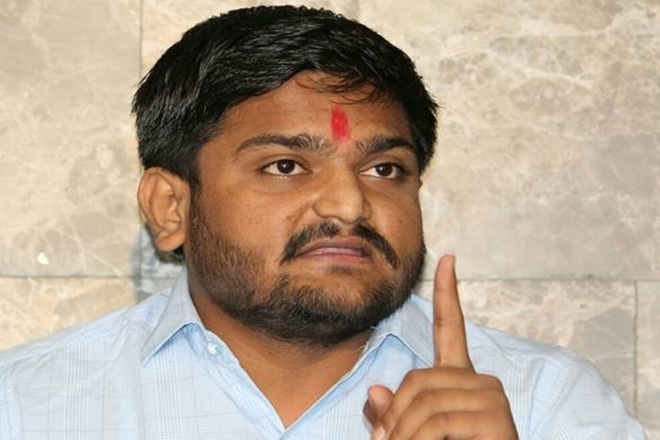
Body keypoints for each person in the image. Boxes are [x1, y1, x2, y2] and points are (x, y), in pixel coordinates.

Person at [0, 5, 645, 439]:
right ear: (171, 206)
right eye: (285, 166)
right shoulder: (27, 406)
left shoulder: (544, 404)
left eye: (384, 169)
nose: (349, 205)